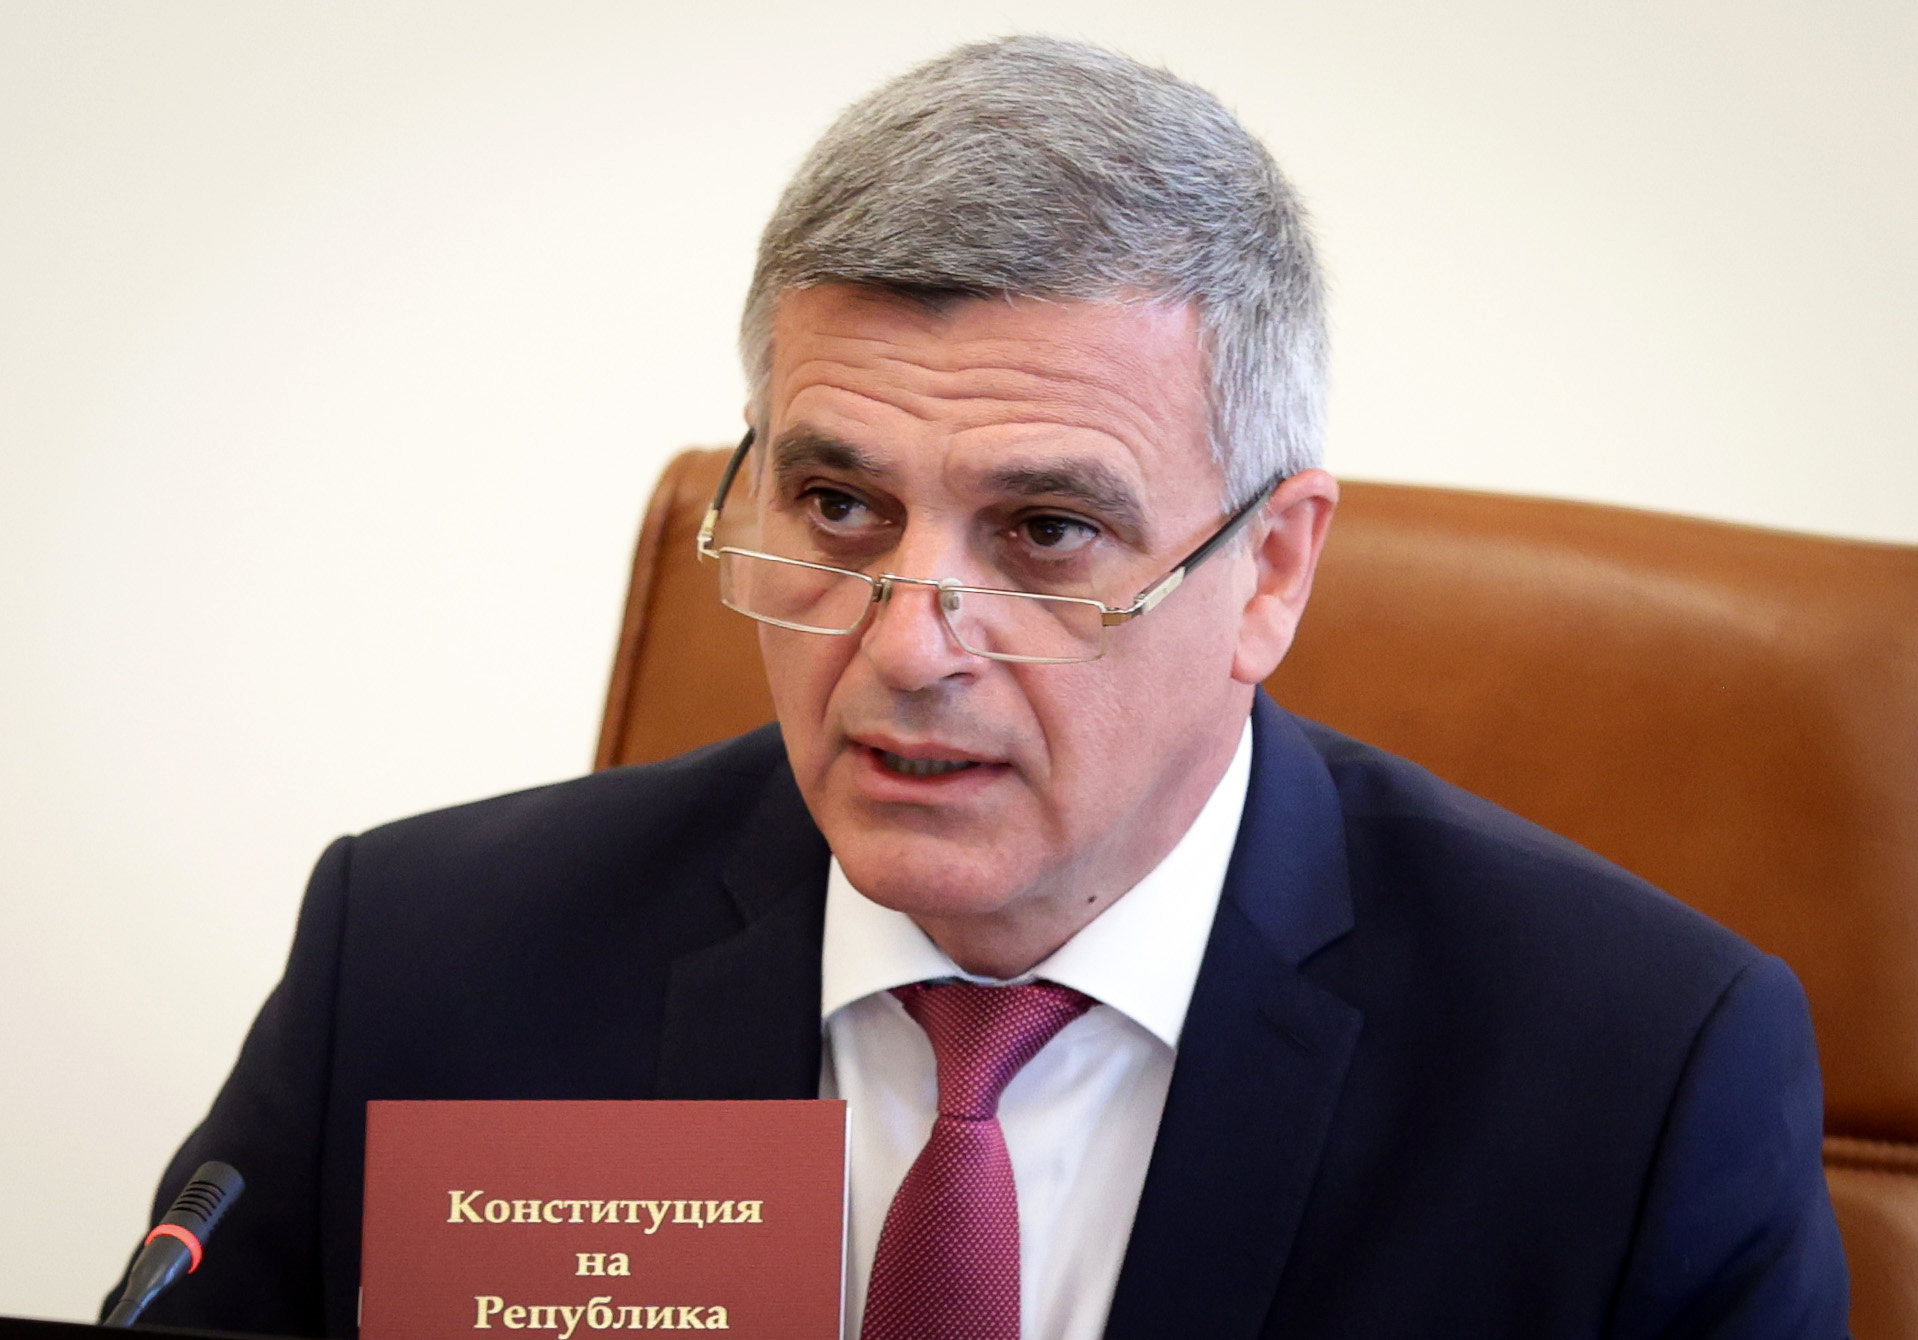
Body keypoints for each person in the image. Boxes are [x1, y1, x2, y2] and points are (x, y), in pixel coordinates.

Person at [118, 35, 1848, 1339]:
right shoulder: (422, 962)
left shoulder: (1632, 1075)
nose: (903, 646)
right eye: (837, 506)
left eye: (1044, 532)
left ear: (1268, 570)